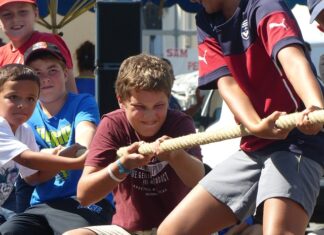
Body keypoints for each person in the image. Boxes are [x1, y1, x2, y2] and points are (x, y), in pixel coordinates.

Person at [157, 0, 324, 234]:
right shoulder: (206, 20)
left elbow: (292, 57)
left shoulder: (264, 5)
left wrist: (315, 107)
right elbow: (228, 83)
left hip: (296, 139)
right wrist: (255, 125)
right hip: (254, 145)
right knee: (173, 231)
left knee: (278, 231)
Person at [63, 53, 205, 235]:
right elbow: (84, 195)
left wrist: (176, 155)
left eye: (159, 106)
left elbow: (199, 181)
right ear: (121, 101)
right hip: (128, 230)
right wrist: (123, 166)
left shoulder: (180, 123)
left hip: (180, 228)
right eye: (140, 107)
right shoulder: (113, 124)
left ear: (168, 98)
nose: (150, 116)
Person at [0, 42, 115, 235]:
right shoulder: (22, 119)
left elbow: (85, 134)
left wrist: (80, 151)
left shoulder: (82, 102)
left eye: (52, 70)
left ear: (66, 73)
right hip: (42, 205)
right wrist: (72, 160)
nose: (45, 78)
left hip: (85, 201)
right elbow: (28, 161)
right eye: (37, 72)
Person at [0, 63, 87, 224]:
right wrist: (74, 162)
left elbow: (33, 177)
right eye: (13, 97)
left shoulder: (24, 131)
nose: (23, 105)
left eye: (31, 99)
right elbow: (27, 159)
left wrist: (62, 159)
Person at [0, 0, 77, 93]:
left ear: (36, 14)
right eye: (7, 14)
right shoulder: (1, 53)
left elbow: (70, 92)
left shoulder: (47, 42)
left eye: (23, 12)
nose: (15, 19)